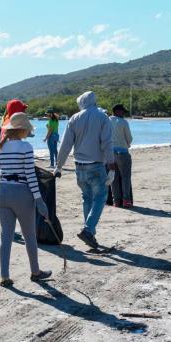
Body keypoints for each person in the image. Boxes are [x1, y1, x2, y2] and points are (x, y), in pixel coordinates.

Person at [0, 112, 52, 287]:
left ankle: (5, 276)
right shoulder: (26, 147)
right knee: (29, 235)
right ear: (23, 130)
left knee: (6, 236)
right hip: (22, 194)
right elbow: (31, 177)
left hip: (3, 194)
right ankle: (35, 272)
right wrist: (39, 200)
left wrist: (7, 170)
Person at [53, 91, 115, 250]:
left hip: (78, 166)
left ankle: (90, 232)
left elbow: (66, 144)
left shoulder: (74, 118)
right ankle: (88, 230)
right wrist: (112, 166)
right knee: (100, 197)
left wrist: (58, 166)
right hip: (95, 165)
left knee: (86, 198)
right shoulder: (103, 117)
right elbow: (107, 143)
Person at [109, 104, 134, 208]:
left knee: (114, 178)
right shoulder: (123, 122)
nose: (123, 114)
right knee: (125, 177)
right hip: (122, 153)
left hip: (110, 153)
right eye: (123, 112)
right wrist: (127, 144)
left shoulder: (107, 120)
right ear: (118, 111)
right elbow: (129, 138)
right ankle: (126, 200)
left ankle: (116, 201)